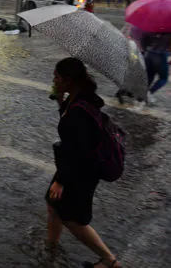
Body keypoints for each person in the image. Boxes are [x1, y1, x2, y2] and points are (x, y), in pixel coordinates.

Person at [47, 58, 121, 268]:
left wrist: (60, 181)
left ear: (69, 80)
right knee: (52, 204)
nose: (53, 80)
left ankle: (109, 260)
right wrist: (61, 101)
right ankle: (50, 246)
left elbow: (76, 150)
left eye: (57, 77)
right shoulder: (81, 98)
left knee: (73, 219)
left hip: (81, 171)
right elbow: (70, 129)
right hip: (76, 166)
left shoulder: (79, 110)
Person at [143, 34, 171, 104]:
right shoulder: (169, 31)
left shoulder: (154, 29)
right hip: (161, 56)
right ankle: (149, 93)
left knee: (149, 76)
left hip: (150, 54)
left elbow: (144, 39)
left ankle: (142, 94)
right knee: (163, 78)